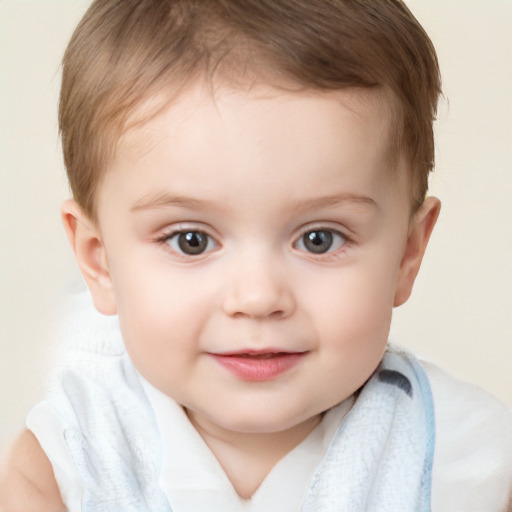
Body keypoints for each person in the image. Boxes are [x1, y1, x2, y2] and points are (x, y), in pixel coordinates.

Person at [0, 0, 511, 510]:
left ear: (406, 253)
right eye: (191, 240)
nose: (258, 297)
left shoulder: (467, 460)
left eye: (320, 238)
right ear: (100, 261)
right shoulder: (66, 463)